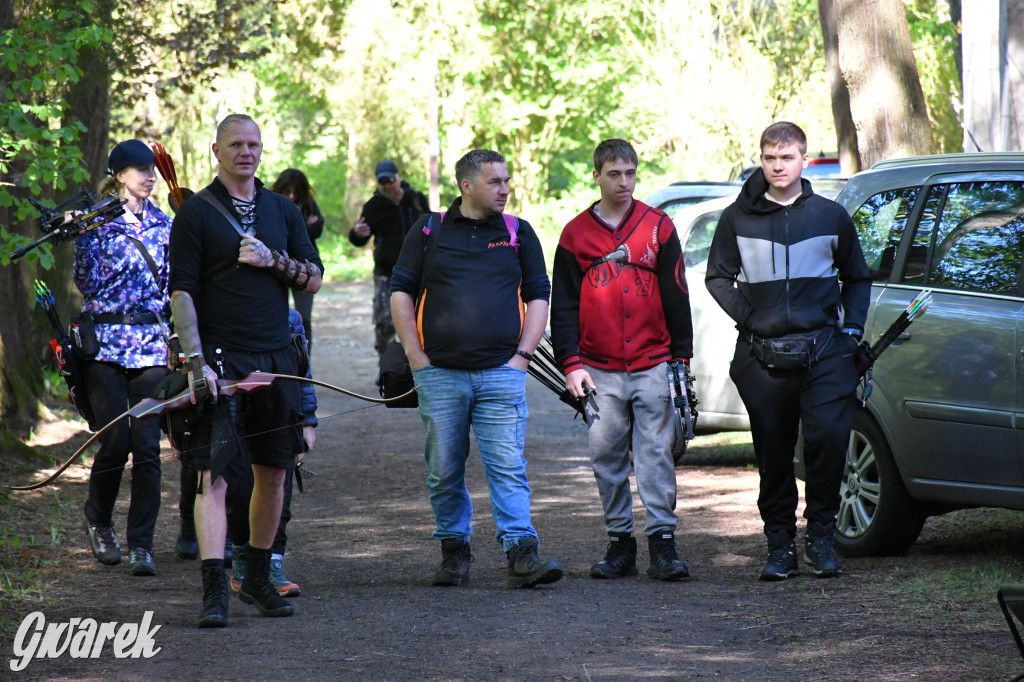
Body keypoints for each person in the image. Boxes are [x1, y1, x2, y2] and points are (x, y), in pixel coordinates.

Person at [168, 113, 323, 628]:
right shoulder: (195, 213)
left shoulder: (283, 209)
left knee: (274, 472)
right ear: (216, 150)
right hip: (219, 359)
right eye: (235, 144)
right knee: (212, 477)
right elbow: (182, 293)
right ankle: (215, 590)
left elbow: (314, 278)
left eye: (253, 144)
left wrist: (271, 260)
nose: (246, 152)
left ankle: (255, 576)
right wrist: (195, 362)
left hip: (276, 358)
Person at [705, 121, 871, 581]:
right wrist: (752, 319)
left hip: (826, 353)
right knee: (774, 452)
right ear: (761, 160)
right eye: (770, 158)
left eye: (787, 157)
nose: (778, 166)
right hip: (763, 357)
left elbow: (858, 278)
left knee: (828, 444)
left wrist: (852, 331)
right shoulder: (737, 218)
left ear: (804, 160)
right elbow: (717, 277)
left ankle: (820, 540)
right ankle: (779, 546)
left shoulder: (830, 216)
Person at [390, 149, 562, 589]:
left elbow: (538, 295)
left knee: (507, 465)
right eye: (494, 182)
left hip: (502, 374)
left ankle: (522, 552)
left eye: (506, 181)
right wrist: (416, 358)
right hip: (439, 375)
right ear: (467, 186)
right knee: (444, 469)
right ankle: (454, 552)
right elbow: (401, 292)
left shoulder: (518, 231)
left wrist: (522, 357)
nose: (505, 189)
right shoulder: (428, 229)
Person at [550, 138, 694, 582]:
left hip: (653, 361)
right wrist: (570, 364)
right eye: (614, 174)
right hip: (598, 368)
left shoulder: (658, 226)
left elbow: (677, 294)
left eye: (630, 173)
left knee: (656, 453)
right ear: (596, 175)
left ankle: (663, 542)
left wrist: (681, 358)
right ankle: (620, 543)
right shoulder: (575, 234)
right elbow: (563, 306)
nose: (624, 182)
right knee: (606, 456)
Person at [75, 139, 172, 577]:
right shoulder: (96, 222)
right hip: (105, 346)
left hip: (150, 345)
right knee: (115, 441)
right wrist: (83, 237)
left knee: (148, 448)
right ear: (119, 175)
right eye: (140, 170)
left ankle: (142, 544)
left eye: (152, 169)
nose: (149, 177)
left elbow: (170, 286)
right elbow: (86, 284)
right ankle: (98, 521)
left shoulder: (165, 224)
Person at [229, 308, 317, 598]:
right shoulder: (220, 316)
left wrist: (307, 421)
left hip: (281, 411)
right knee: (240, 489)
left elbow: (302, 373)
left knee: (280, 486)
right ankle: (243, 557)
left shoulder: (289, 318)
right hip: (236, 414)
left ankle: (273, 563)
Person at [349, 159, 428, 356]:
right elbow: (359, 237)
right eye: (382, 182)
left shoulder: (416, 199)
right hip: (387, 274)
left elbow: (431, 228)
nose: (387, 186)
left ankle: (417, 363)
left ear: (399, 177)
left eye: (390, 180)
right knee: (385, 322)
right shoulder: (373, 206)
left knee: (421, 319)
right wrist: (356, 233)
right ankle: (386, 364)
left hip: (419, 271)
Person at [271, 169, 325, 351]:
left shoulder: (309, 203)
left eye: (296, 192)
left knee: (304, 318)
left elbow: (318, 228)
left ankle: (304, 356)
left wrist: (296, 231)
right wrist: (304, 227)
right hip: (274, 265)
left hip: (304, 265)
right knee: (275, 314)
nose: (292, 196)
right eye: (288, 192)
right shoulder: (269, 202)